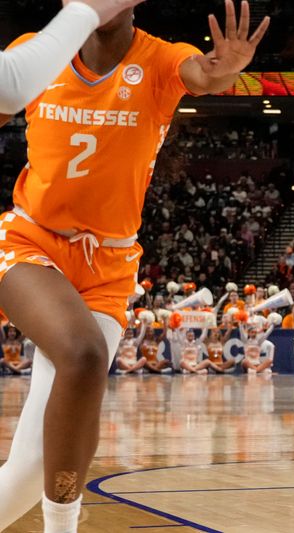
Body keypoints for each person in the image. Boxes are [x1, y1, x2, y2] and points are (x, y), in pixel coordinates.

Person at [0, 2, 269, 530]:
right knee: (82, 355)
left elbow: (203, 73)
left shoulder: (163, 59)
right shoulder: (36, 51)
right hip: (32, 239)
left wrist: (227, 69)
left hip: (110, 263)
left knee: (32, 462)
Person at [0, 0, 145, 114]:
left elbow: (9, 86)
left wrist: (81, 11)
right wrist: (83, 11)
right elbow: (9, 87)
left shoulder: (164, 59)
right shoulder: (28, 48)